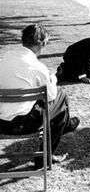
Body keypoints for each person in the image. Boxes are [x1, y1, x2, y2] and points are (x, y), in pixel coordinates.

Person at [0, 24, 80, 168]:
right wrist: (53, 80)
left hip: (1, 121)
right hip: (23, 124)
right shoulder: (37, 67)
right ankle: (46, 155)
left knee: (54, 106)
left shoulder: (5, 59)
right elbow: (50, 96)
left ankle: (65, 123)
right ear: (42, 43)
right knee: (60, 95)